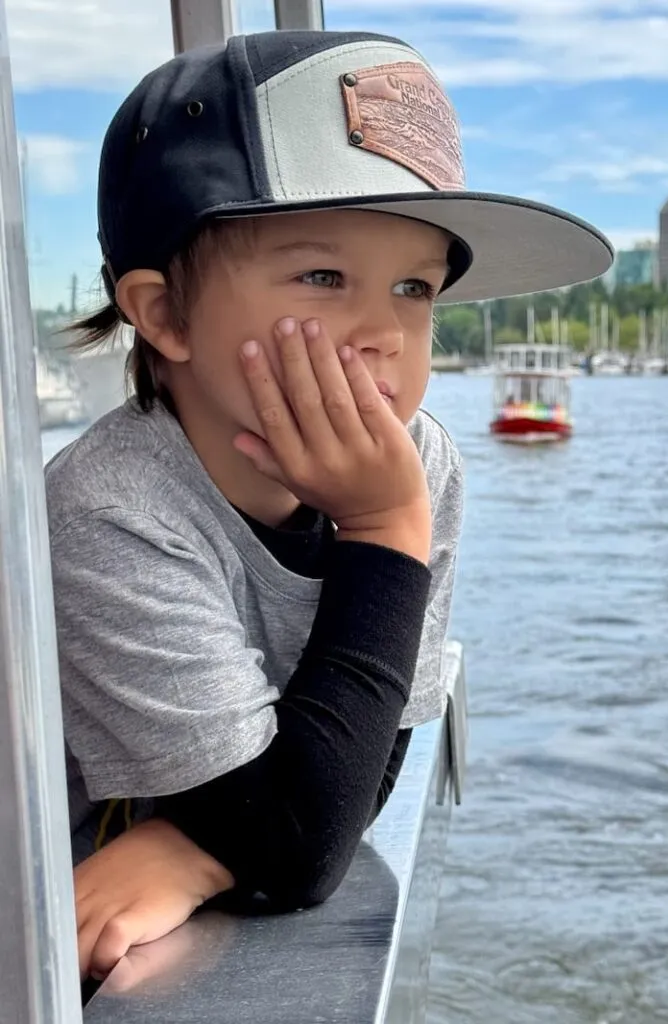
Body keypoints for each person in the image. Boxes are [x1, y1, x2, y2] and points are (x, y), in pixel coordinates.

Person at [45, 29, 612, 982]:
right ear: (165, 314)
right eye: (323, 277)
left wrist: (198, 848)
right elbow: (299, 842)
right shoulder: (113, 508)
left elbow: (366, 767)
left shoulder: (418, 464)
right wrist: (385, 534)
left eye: (414, 287)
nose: (387, 331)